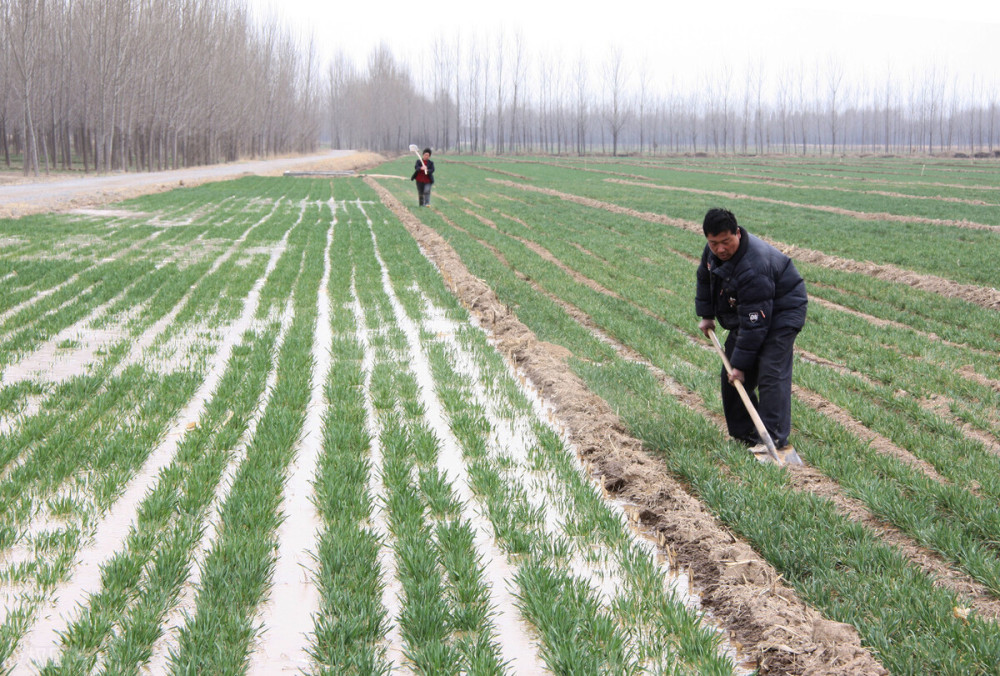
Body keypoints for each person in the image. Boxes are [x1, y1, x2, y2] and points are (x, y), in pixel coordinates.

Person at [695, 207, 807, 455]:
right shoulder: (712, 252)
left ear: (737, 233)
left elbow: (755, 324)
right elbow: (704, 278)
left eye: (726, 242)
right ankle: (746, 433)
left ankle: (773, 439)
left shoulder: (754, 266)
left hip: (783, 310)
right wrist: (707, 315)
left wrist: (741, 366)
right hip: (750, 311)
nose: (720, 249)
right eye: (714, 243)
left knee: (770, 371)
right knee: (731, 375)